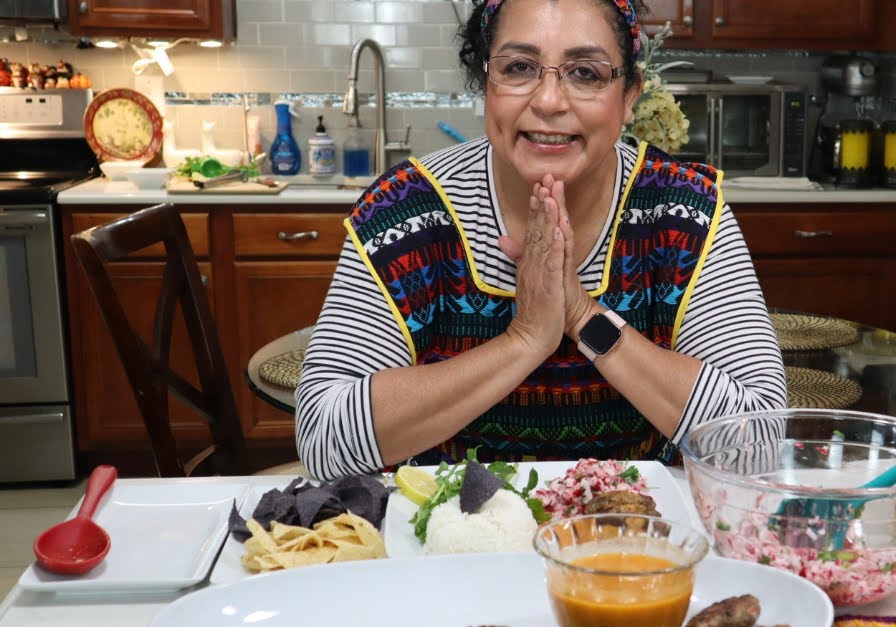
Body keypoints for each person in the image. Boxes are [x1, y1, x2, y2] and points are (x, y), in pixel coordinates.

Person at [296, 0, 785, 480]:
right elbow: (324, 441)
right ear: (486, 83)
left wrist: (581, 314)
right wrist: (526, 338)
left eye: (586, 73)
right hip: (447, 543)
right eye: (519, 67)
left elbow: (758, 446)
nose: (549, 101)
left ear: (630, 95)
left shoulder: (684, 212)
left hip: (638, 540)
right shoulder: (404, 210)